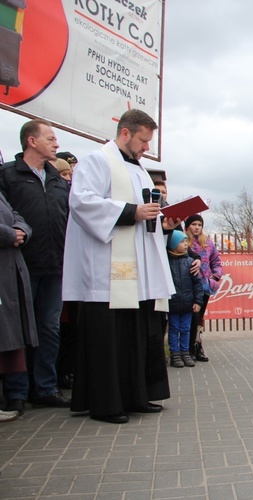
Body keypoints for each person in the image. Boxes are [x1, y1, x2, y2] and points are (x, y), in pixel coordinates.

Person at [62, 109, 179, 424]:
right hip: (108, 272)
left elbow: (146, 215)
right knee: (109, 340)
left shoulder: (139, 169)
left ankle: (135, 396)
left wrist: (165, 222)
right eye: (143, 141)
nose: (145, 148)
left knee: (137, 337)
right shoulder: (97, 161)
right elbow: (82, 202)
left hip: (137, 275)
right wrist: (132, 212)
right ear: (125, 133)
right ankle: (106, 404)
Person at [0, 118, 71, 414]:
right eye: (51, 138)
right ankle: (17, 392)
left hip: (54, 266)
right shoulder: (8, 175)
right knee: (16, 329)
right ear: (31, 141)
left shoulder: (57, 179)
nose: (56, 144)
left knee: (49, 328)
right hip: (20, 267)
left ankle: (45, 388)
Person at [0, 190, 38, 422]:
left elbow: (17, 217)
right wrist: (8, 235)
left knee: (11, 334)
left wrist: (21, 231)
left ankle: (17, 393)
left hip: (10, 270)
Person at [184, 214, 222, 362]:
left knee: (199, 318)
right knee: (189, 318)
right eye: (194, 224)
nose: (197, 227)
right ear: (188, 226)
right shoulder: (182, 241)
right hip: (187, 286)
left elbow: (217, 262)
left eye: (199, 225)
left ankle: (198, 347)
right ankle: (187, 349)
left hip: (203, 286)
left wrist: (214, 277)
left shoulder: (208, 243)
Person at [166, 230, 202, 368]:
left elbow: (197, 283)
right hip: (173, 303)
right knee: (174, 328)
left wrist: (198, 301)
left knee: (186, 328)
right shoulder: (167, 263)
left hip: (188, 303)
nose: (186, 244)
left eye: (186, 241)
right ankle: (175, 354)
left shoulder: (191, 262)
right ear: (173, 244)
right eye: (182, 241)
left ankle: (185, 352)